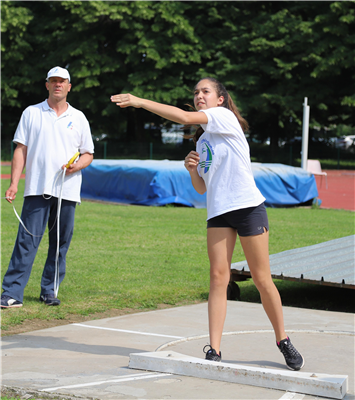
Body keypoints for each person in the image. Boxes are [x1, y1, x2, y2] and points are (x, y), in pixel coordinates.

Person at [110, 77, 304, 371]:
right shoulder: (202, 140)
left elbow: (185, 117)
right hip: (218, 212)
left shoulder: (224, 118)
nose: (199, 96)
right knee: (218, 278)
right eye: (196, 92)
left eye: (205, 92)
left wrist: (139, 101)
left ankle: (283, 339)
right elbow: (202, 188)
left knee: (261, 279)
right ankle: (214, 349)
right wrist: (192, 171)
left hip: (248, 207)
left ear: (220, 99)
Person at [0, 66, 94, 308]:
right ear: (47, 85)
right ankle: (12, 293)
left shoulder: (79, 117)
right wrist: (13, 184)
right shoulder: (32, 113)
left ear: (69, 86)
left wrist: (76, 167)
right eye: (53, 81)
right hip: (36, 188)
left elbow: (88, 154)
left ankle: (49, 291)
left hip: (68, 191)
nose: (58, 85)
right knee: (27, 241)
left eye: (62, 81)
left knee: (60, 243)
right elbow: (20, 149)